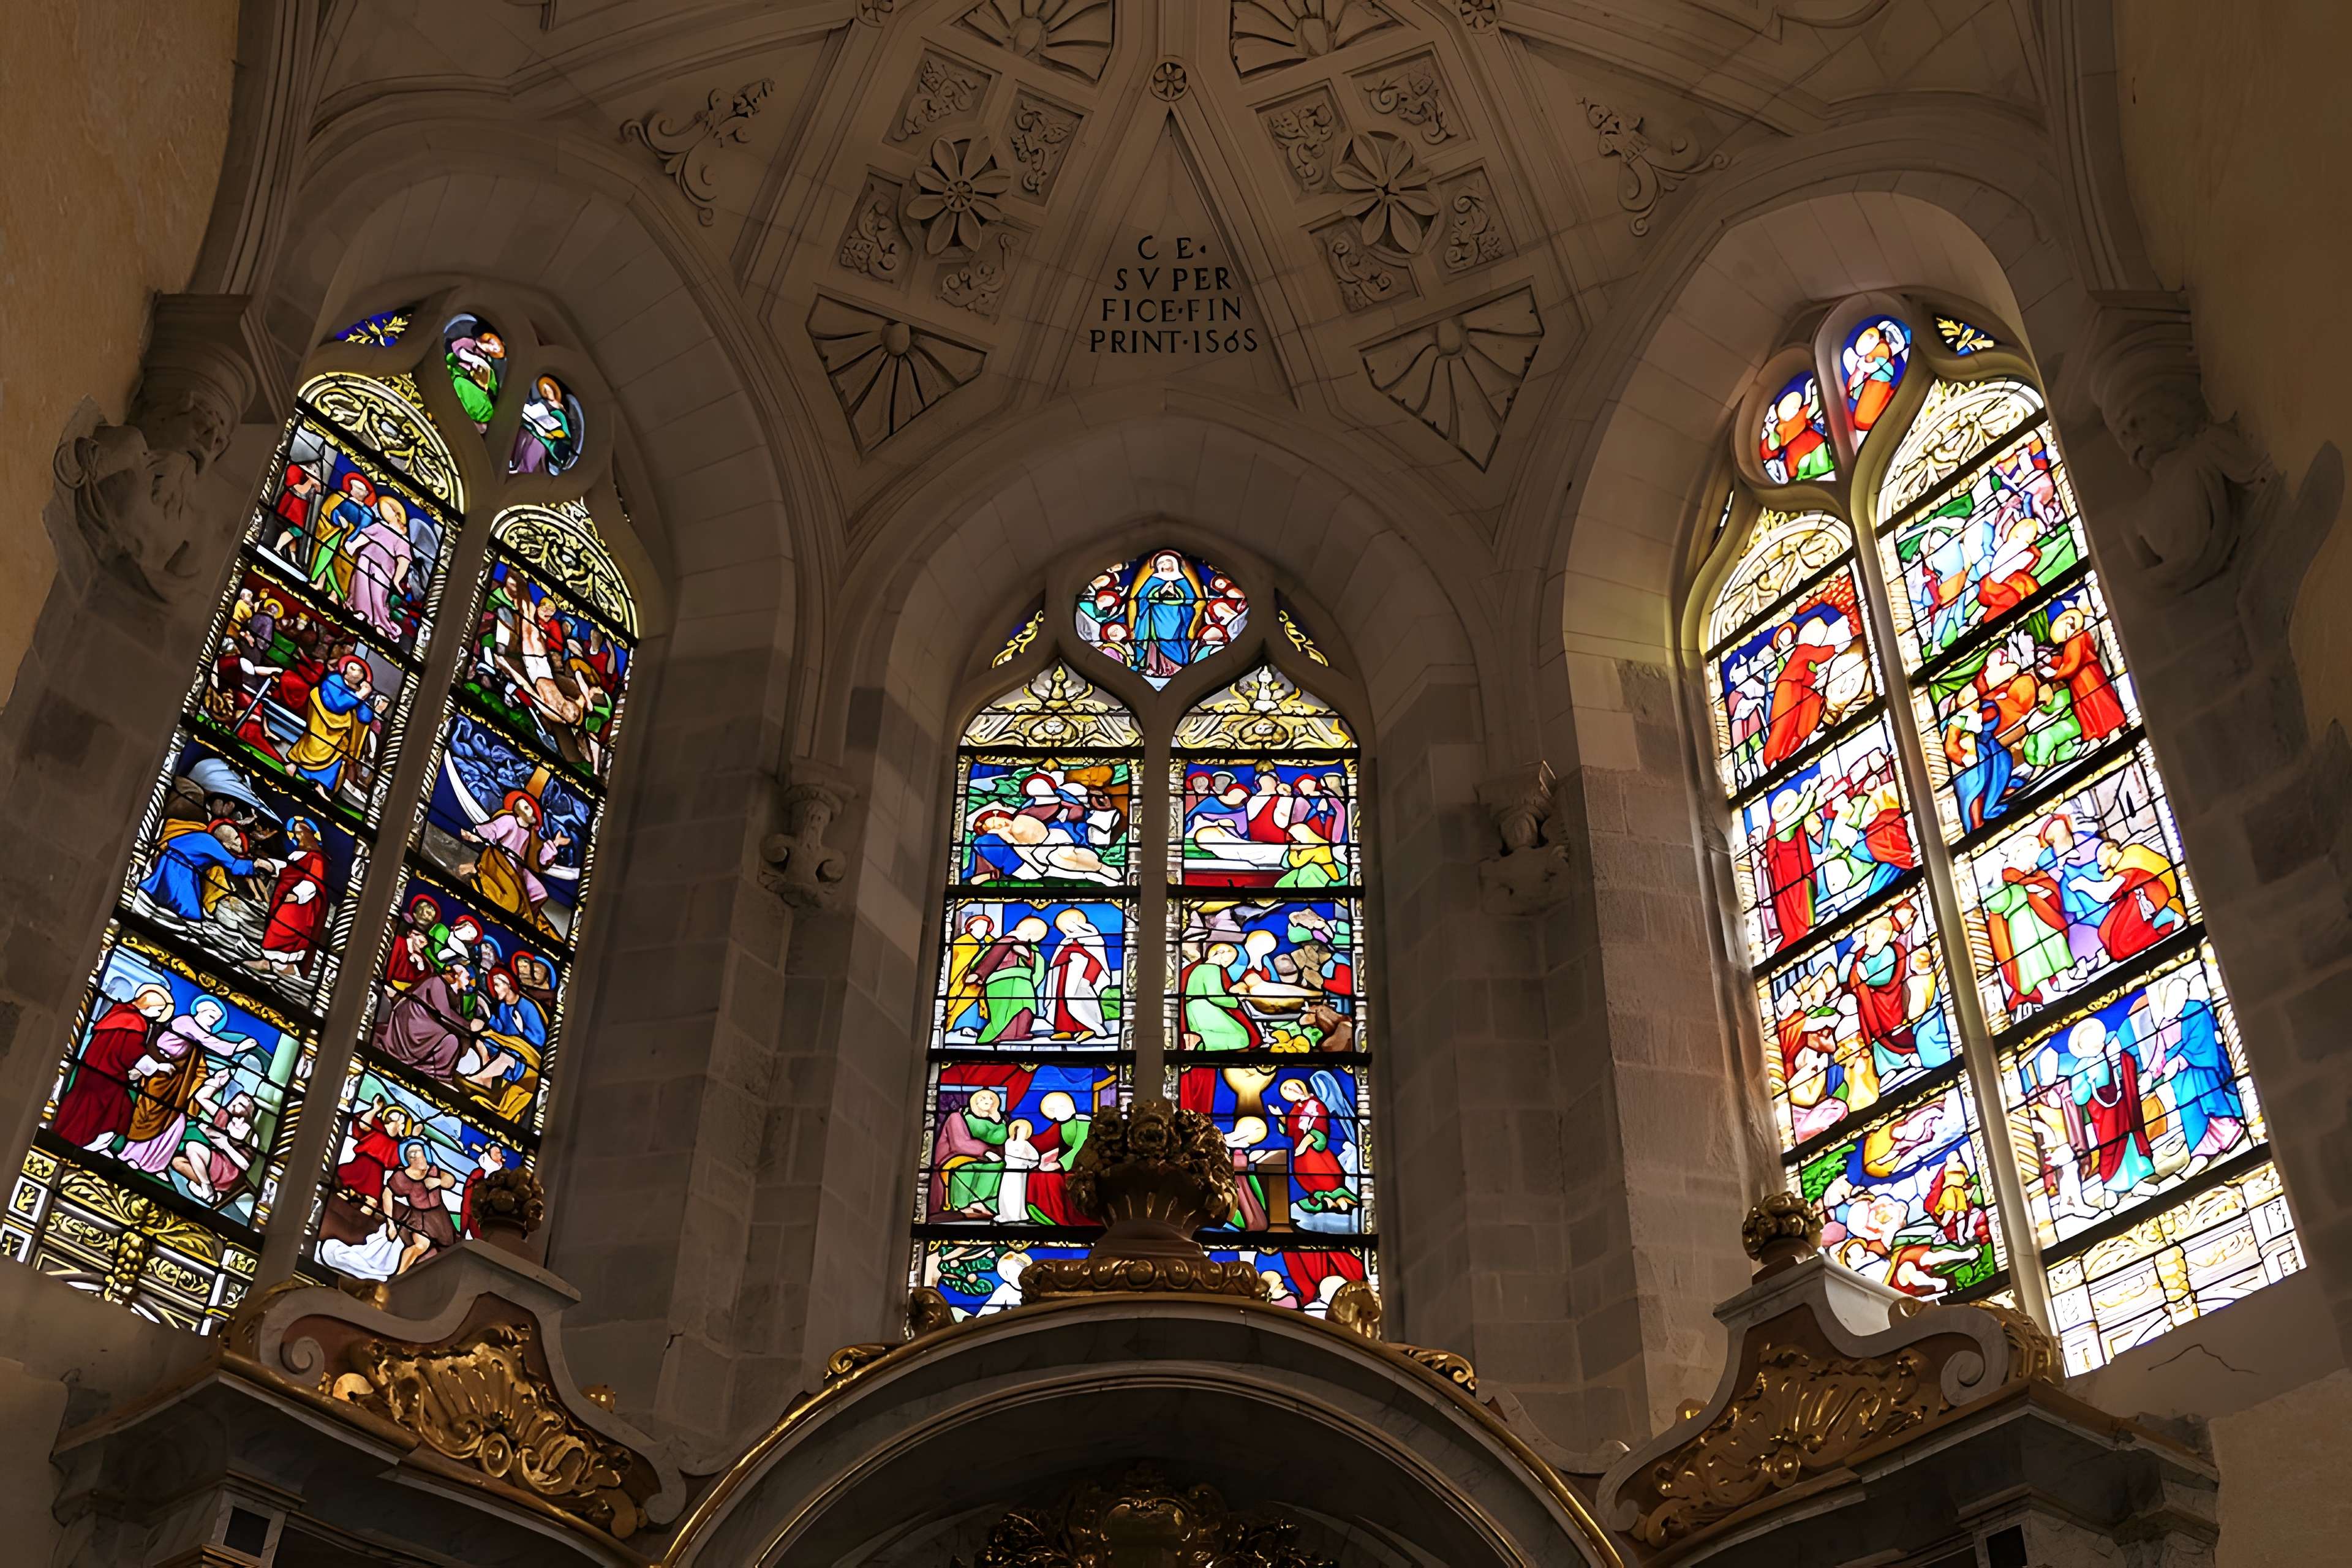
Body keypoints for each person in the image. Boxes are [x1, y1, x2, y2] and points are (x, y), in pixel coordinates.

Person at [118, 998, 239, 1175]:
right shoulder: (185, 1022)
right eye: (211, 1016)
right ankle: (131, 1156)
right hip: (159, 1077)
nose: (212, 1022)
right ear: (199, 1011)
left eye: (216, 1020)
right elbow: (207, 1039)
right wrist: (236, 1047)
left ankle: (157, 1166)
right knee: (147, 1117)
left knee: (178, 1125)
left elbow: (199, 1069)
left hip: (178, 1089)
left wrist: (213, 1082)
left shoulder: (196, 1044)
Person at [51, 984, 173, 1151]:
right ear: (148, 1006)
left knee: (106, 1108)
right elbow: (132, 1051)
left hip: (94, 1070)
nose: (158, 1016)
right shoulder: (135, 1021)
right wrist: (158, 1067)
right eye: (158, 1011)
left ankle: (82, 1144)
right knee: (97, 1112)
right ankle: (73, 1145)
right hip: (106, 1077)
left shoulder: (119, 1013)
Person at [2154, 975, 2244, 1160]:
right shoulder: (2164, 1024)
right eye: (2171, 997)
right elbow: (2159, 1053)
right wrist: (2150, 1074)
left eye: (2179, 995)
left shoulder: (2196, 1010)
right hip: (2180, 1079)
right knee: (2189, 1107)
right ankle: (2201, 1147)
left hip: (2201, 1068)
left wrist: (2179, 1061)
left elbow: (2201, 1040)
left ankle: (2228, 1132)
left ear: (2185, 996)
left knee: (2208, 1095)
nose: (2176, 1000)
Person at [464, 788, 570, 937]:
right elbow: (493, 830)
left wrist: (555, 844)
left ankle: (527, 916)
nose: (530, 812)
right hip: (500, 860)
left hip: (518, 867)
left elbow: (539, 859)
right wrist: (475, 837)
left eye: (532, 809)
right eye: (526, 807)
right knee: (512, 900)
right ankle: (491, 892)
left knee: (540, 891)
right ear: (517, 808)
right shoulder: (509, 820)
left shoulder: (531, 835)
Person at [372, 959, 484, 1080]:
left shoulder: (456, 996)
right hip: (412, 1025)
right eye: (469, 977)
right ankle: (431, 1074)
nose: (470, 983)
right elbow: (444, 1015)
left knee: (452, 1041)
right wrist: (469, 1025)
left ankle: (429, 1073)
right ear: (459, 971)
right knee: (452, 1042)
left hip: (426, 1026)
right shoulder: (437, 982)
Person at [250, 816, 329, 986]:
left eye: (302, 832)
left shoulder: (317, 858)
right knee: (275, 927)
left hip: (299, 906)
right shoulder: (296, 856)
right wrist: (268, 864)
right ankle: (269, 962)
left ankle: (288, 967)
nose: (299, 835)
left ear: (312, 835)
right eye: (297, 832)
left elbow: (314, 880)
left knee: (284, 930)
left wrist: (297, 894)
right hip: (283, 897)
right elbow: (286, 870)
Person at [288, 656, 379, 795]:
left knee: (339, 751)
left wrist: (365, 698)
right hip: (321, 721)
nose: (355, 672)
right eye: (352, 668)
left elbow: (364, 718)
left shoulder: (358, 691)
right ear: (345, 670)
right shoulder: (334, 680)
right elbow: (336, 705)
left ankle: (321, 786)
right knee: (313, 743)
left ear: (363, 677)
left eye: (359, 671)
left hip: (338, 731)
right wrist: (359, 696)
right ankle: (294, 764)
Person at [1760, 620, 1839, 768]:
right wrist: (1835, 648)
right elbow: (1825, 653)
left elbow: (1810, 677)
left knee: (1796, 728)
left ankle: (1784, 756)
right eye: (1820, 635)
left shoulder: (1803, 655)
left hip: (1797, 691)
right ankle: (1771, 757)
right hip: (1787, 689)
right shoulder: (1804, 649)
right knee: (1784, 724)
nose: (1820, 639)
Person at [2043, 608, 2128, 744]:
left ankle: (2113, 730)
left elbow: (2072, 665)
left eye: (2067, 624)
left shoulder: (2078, 638)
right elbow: (2067, 661)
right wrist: (2053, 664)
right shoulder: (2073, 641)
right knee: (2087, 706)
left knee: (2098, 702)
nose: (2068, 626)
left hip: (2088, 678)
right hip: (2081, 680)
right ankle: (2099, 735)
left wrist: (2054, 676)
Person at [929, 1087, 1009, 1216]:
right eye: (982, 1098)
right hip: (953, 1157)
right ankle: (963, 1204)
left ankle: (983, 1203)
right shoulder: (957, 1117)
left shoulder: (998, 1123)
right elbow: (959, 1144)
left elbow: (1000, 1141)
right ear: (974, 1102)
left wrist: (997, 1121)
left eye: (991, 1099)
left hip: (982, 1158)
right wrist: (987, 1152)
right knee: (970, 1169)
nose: (987, 1101)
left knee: (1000, 1167)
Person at [969, 917, 1049, 1046]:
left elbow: (1038, 967)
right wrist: (980, 974)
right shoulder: (1002, 943)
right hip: (1000, 980)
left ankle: (1020, 1033)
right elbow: (988, 958)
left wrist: (1028, 956)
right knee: (1001, 1009)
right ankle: (999, 1034)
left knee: (1025, 1009)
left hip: (1024, 982)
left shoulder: (1032, 950)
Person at [346, 494, 417, 639]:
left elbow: (404, 560)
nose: (384, 512)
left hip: (384, 569)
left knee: (378, 593)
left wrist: (397, 580)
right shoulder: (381, 526)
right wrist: (353, 546)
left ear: (397, 513)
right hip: (366, 557)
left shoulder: (403, 540)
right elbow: (366, 536)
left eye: (387, 509)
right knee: (361, 581)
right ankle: (361, 611)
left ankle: (378, 621)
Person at [1125, 552, 1204, 681]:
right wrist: (1160, 592)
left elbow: (1192, 602)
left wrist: (1175, 593)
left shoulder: (1182, 580)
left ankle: (1175, 667)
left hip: (1178, 617)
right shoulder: (1153, 579)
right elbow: (1142, 600)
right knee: (1155, 643)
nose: (1164, 565)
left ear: (1174, 564)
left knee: (1175, 641)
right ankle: (1154, 667)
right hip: (1155, 618)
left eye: (1167, 562)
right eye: (1161, 563)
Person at [1044, 907, 1109, 1041]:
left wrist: (1088, 979)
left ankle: (1088, 1028)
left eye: (1065, 926)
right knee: (1061, 1001)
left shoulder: (1093, 940)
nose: (1064, 931)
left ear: (1077, 922)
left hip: (1080, 979)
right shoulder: (1066, 942)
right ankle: (1066, 1029)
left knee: (1078, 1002)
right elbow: (1057, 961)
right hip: (1063, 976)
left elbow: (1096, 962)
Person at [1181, 941, 1259, 1051]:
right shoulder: (1212, 969)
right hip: (1206, 1009)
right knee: (1242, 1037)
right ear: (1221, 953)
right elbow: (1215, 996)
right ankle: (1201, 1039)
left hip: (1193, 1009)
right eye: (1230, 958)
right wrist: (1236, 1001)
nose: (1228, 963)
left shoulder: (1198, 969)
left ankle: (1198, 1041)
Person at [997, 1120, 1041, 1225]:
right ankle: (1006, 1215)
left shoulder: (1026, 1144)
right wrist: (1024, 1159)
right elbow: (1011, 1155)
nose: (1023, 1133)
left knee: (1017, 1194)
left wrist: (1027, 1162)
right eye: (1021, 1130)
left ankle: (1017, 1216)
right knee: (1006, 1193)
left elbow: (1035, 1158)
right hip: (1010, 1171)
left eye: (1025, 1131)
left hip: (1020, 1173)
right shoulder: (1009, 1142)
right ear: (1016, 1131)